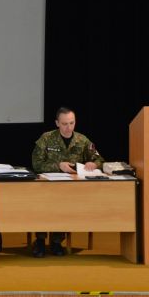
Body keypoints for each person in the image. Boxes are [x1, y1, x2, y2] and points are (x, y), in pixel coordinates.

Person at [31, 107, 104, 258]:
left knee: (63, 204)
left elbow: (99, 159)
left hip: (70, 188)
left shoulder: (82, 140)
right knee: (43, 204)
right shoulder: (46, 138)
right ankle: (40, 241)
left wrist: (94, 164)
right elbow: (36, 164)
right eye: (64, 124)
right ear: (57, 123)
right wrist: (58, 166)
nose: (68, 127)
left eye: (72, 123)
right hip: (46, 186)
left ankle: (57, 241)